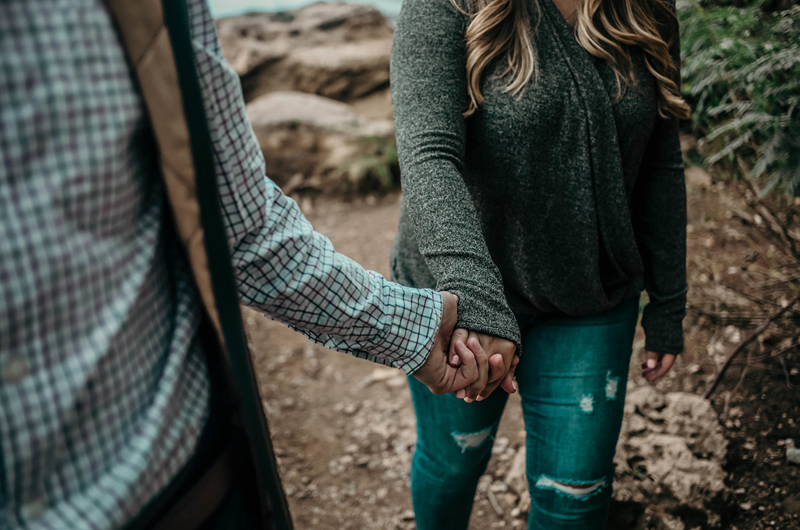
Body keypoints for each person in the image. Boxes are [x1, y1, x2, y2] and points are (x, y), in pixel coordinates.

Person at [0, 0, 513, 528]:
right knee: (450, 463)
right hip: (168, 479)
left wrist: (414, 327)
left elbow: (241, 224)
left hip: (178, 488)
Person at [389, 0, 690, 526]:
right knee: (453, 462)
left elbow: (659, 162)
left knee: (575, 496)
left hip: (590, 295)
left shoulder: (647, 10)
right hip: (459, 298)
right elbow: (428, 153)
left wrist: (669, 300)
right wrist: (477, 301)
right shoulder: (446, 6)